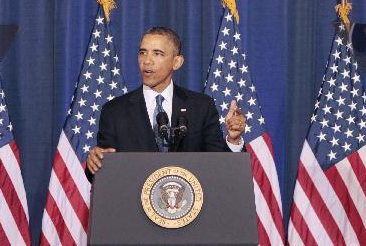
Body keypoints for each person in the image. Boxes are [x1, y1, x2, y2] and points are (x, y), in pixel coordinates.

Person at [86, 26, 246, 175]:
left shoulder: (201, 106)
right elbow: (104, 175)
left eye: (157, 53)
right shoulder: (114, 111)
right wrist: (94, 163)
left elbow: (219, 167)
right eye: (143, 52)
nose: (147, 61)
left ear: (177, 62)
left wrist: (233, 140)